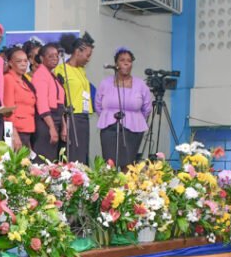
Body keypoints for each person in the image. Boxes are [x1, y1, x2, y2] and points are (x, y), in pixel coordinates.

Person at [95, 47, 151, 169]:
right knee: (110, 163)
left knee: (128, 164)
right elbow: (98, 105)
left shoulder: (141, 84)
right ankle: (111, 187)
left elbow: (147, 108)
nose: (126, 63)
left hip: (133, 130)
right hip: (109, 128)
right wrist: (108, 117)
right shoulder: (105, 83)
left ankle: (126, 187)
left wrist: (135, 119)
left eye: (129, 61)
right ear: (116, 64)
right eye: (122, 60)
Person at [55, 32, 94, 165]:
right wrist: (63, 123)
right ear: (77, 52)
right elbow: (59, 99)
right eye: (87, 55)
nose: (89, 59)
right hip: (71, 116)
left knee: (82, 155)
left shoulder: (81, 70)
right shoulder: (61, 69)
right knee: (72, 154)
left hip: (83, 117)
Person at [30, 42, 66, 161]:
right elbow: (42, 104)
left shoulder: (52, 75)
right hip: (45, 121)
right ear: (41, 58)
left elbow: (60, 104)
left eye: (56, 56)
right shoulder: (40, 74)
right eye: (50, 56)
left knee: (52, 159)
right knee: (43, 159)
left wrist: (63, 126)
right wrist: (52, 127)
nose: (55, 58)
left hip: (55, 119)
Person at [0, 46, 36, 151]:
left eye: (25, 61)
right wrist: (13, 134)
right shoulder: (8, 79)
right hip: (16, 131)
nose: (23, 64)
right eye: (19, 61)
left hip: (27, 130)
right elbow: (8, 110)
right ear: (10, 63)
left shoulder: (25, 81)